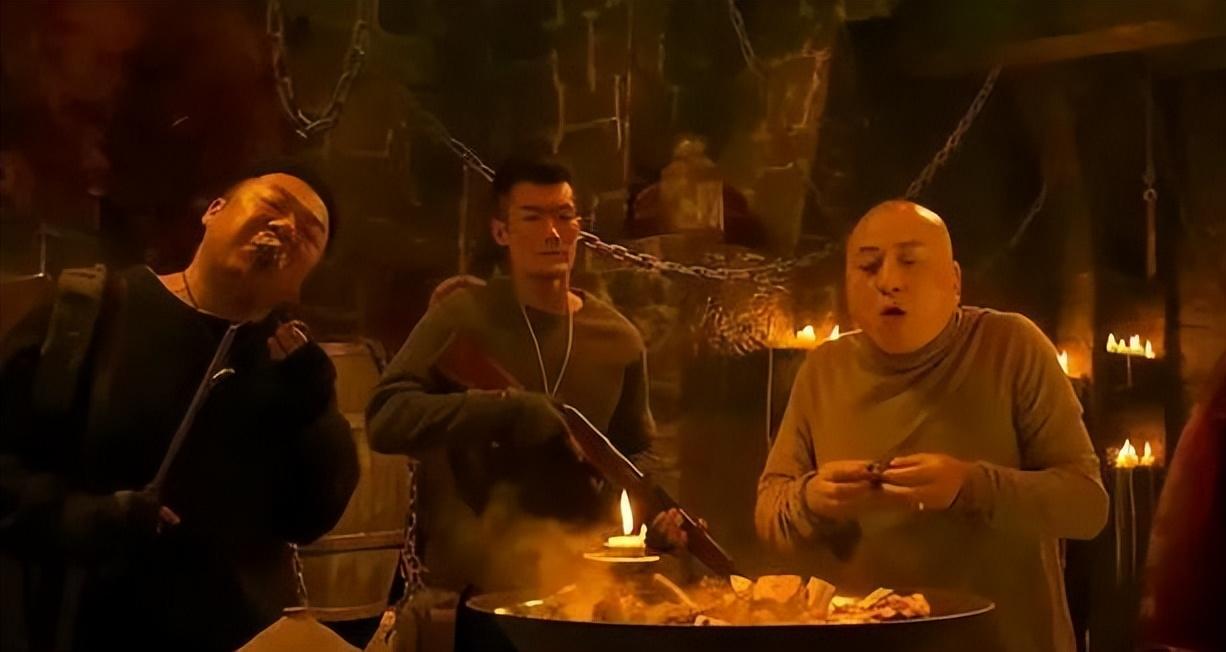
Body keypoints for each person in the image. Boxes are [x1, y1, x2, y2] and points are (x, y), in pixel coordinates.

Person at [0, 162, 359, 651]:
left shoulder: (291, 366)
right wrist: (85, 518)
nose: (288, 228)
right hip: (87, 631)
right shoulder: (95, 311)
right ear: (214, 211)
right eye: (275, 205)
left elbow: (311, 517)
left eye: (310, 233)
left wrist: (313, 409)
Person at [755, 200, 1108, 652]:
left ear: (954, 281)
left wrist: (968, 486)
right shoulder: (824, 369)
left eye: (910, 262)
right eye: (868, 266)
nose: (888, 281)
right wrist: (811, 500)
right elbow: (770, 511)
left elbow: (1086, 505)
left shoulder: (1010, 347)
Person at [367, 157, 682, 594]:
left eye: (564, 216)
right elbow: (386, 417)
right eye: (532, 218)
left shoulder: (618, 338)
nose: (552, 233)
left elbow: (630, 459)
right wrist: (504, 409)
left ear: (579, 228)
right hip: (479, 581)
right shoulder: (463, 316)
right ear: (502, 231)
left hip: (585, 584)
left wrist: (655, 519)